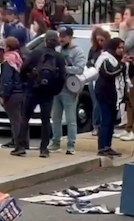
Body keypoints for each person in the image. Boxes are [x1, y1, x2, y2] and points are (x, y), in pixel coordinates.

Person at [19, 30, 65, 157]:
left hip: (32, 89)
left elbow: (23, 68)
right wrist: (55, 90)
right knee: (45, 120)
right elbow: (62, 77)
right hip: (48, 92)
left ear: (45, 40)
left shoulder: (36, 53)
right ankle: (44, 149)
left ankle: (21, 146)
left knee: (25, 117)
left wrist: (26, 82)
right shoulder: (59, 57)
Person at [48, 26, 86, 155]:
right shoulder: (58, 50)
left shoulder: (78, 52)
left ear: (70, 37)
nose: (61, 39)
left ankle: (71, 145)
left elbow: (80, 69)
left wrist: (64, 69)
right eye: (60, 36)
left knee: (71, 119)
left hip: (70, 89)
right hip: (57, 88)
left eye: (63, 36)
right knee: (55, 117)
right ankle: (55, 142)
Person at [95, 37, 131, 157]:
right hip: (105, 94)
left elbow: (123, 75)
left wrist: (131, 64)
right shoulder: (105, 58)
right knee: (105, 121)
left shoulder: (117, 60)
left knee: (111, 122)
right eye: (119, 48)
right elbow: (110, 73)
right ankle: (102, 147)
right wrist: (122, 63)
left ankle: (108, 146)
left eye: (122, 48)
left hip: (115, 95)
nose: (121, 50)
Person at [115, 5, 134, 142]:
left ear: (133, 16)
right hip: (126, 70)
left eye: (127, 14)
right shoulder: (129, 31)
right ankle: (129, 127)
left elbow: (122, 47)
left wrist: (122, 30)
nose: (124, 17)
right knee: (128, 101)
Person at [0, 36, 26, 155]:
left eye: (4, 45)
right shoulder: (18, 58)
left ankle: (20, 145)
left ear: (8, 47)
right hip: (20, 92)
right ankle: (21, 141)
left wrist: (3, 95)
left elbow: (7, 80)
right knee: (19, 119)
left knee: (15, 121)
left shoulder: (8, 61)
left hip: (12, 94)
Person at [87, 27, 111, 136]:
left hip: (106, 79)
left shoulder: (109, 50)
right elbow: (88, 63)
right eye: (98, 40)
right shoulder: (93, 50)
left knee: (106, 102)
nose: (100, 42)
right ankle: (96, 126)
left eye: (102, 40)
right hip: (95, 78)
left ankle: (105, 124)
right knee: (96, 102)